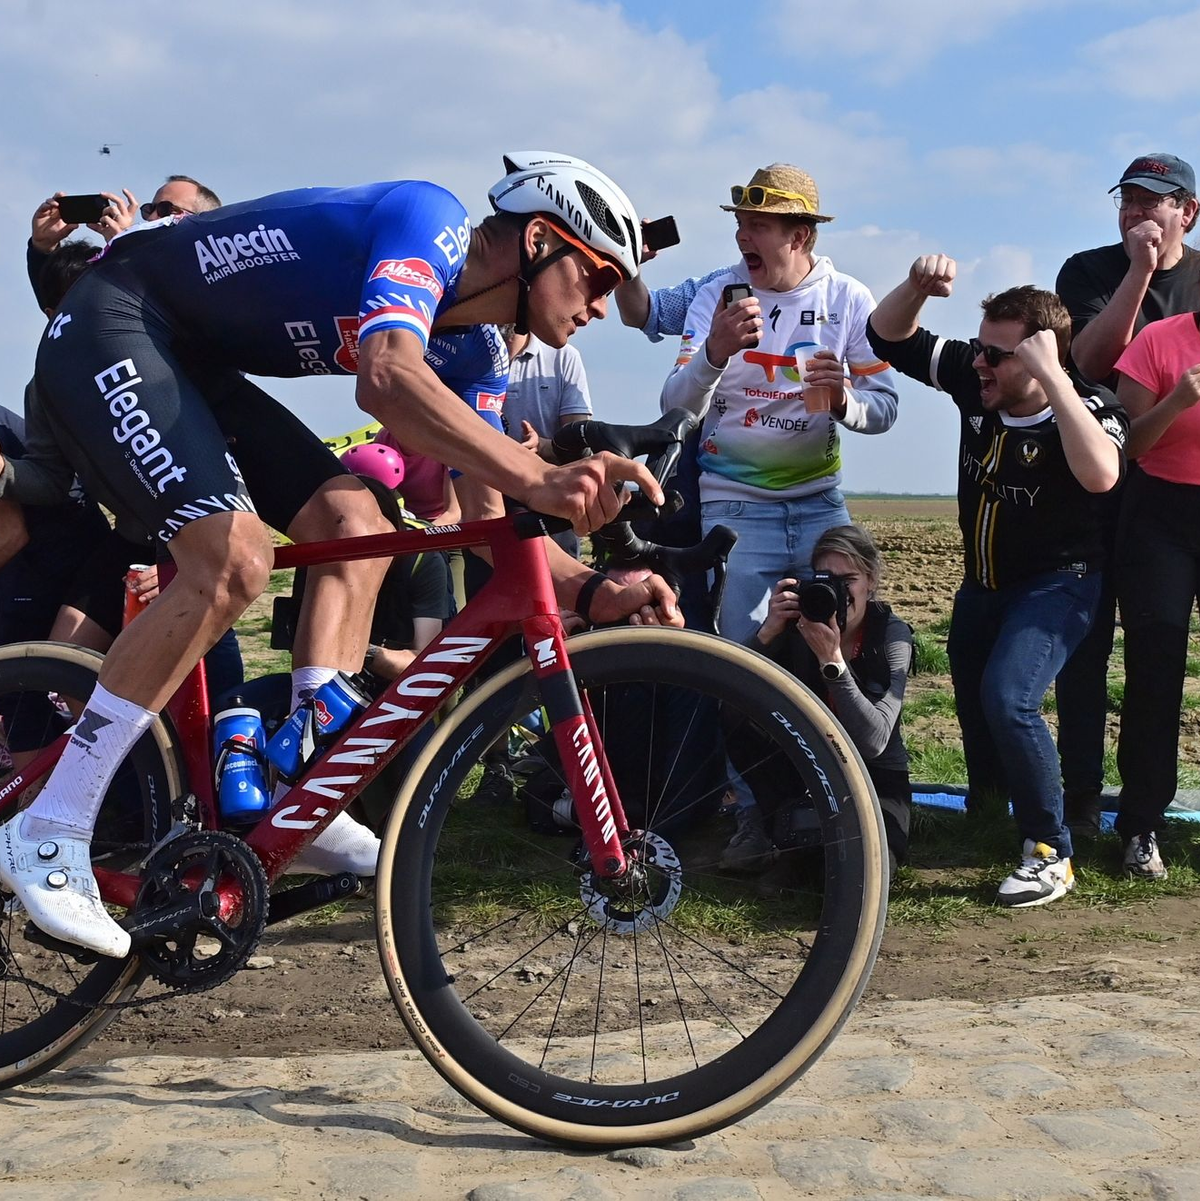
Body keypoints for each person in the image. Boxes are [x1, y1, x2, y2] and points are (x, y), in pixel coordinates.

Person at [0, 151, 680, 959]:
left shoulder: (480, 353)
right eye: (598, 279)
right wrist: (544, 472)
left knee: (356, 518)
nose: (602, 308)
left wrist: (594, 587)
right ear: (539, 240)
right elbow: (386, 377)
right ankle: (49, 825)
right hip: (112, 320)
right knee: (235, 557)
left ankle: (298, 788)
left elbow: (492, 516)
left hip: (184, 355)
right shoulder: (430, 222)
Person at [658, 162, 899, 870]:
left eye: (757, 225)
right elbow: (676, 403)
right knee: (744, 659)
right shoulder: (717, 293)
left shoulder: (849, 299)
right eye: (739, 222)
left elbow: (886, 410)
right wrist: (713, 351)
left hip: (821, 504)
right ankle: (756, 816)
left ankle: (842, 803)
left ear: (799, 235)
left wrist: (846, 403)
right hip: (736, 506)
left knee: (833, 645)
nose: (742, 235)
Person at [866, 255, 1127, 907]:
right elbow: (885, 336)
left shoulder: (1087, 406)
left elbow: (1102, 474)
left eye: (999, 355)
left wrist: (1055, 380)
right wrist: (918, 289)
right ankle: (989, 808)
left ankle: (1050, 850)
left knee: (1010, 697)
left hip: (1059, 586)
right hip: (982, 584)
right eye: (980, 348)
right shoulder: (973, 379)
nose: (980, 362)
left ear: (1042, 359)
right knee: (974, 689)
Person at [1054, 154, 1200, 841]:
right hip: (1095, 477)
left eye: (1155, 202)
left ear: (1187, 213)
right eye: (1129, 201)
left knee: (1157, 649)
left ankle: (1146, 811)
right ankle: (1082, 793)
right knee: (1087, 639)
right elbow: (1089, 362)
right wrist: (1139, 274)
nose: (1138, 213)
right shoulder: (1087, 271)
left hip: (1166, 485)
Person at [743, 525, 912, 876]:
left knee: (867, 870)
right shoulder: (798, 624)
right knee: (738, 717)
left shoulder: (890, 635)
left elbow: (874, 741)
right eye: (825, 579)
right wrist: (767, 633)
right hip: (808, 769)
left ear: (871, 581)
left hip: (876, 779)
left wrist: (832, 662)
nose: (837, 593)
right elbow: (734, 694)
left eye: (848, 580)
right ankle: (776, 823)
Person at [1108, 307, 1200, 880]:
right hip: (1161, 517)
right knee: (1155, 670)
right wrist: (1177, 401)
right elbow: (1129, 444)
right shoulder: (1160, 340)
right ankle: (1141, 826)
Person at [26, 175, 221, 309]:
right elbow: (63, 311)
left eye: (166, 209)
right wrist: (43, 249)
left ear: (200, 219)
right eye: (149, 209)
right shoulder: (117, 264)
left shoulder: (215, 274)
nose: (152, 216)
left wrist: (125, 245)